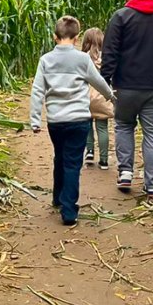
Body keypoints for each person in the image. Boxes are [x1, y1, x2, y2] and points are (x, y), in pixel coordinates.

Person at [30, 15, 116, 226]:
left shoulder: (46, 60)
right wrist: (111, 96)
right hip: (78, 119)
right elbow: (98, 81)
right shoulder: (82, 59)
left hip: (56, 121)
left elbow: (37, 90)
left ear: (54, 37)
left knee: (60, 157)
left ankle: (58, 197)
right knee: (71, 164)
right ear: (77, 38)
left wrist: (34, 119)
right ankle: (69, 211)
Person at [100, 0, 153, 204]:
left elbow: (110, 53)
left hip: (126, 86)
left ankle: (125, 173)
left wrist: (105, 82)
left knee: (124, 125)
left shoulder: (121, 17)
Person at [81, 27, 114, 169]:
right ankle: (104, 160)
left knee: (87, 125)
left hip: (85, 95)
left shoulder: (83, 57)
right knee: (102, 127)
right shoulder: (107, 57)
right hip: (102, 95)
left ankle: (89, 152)